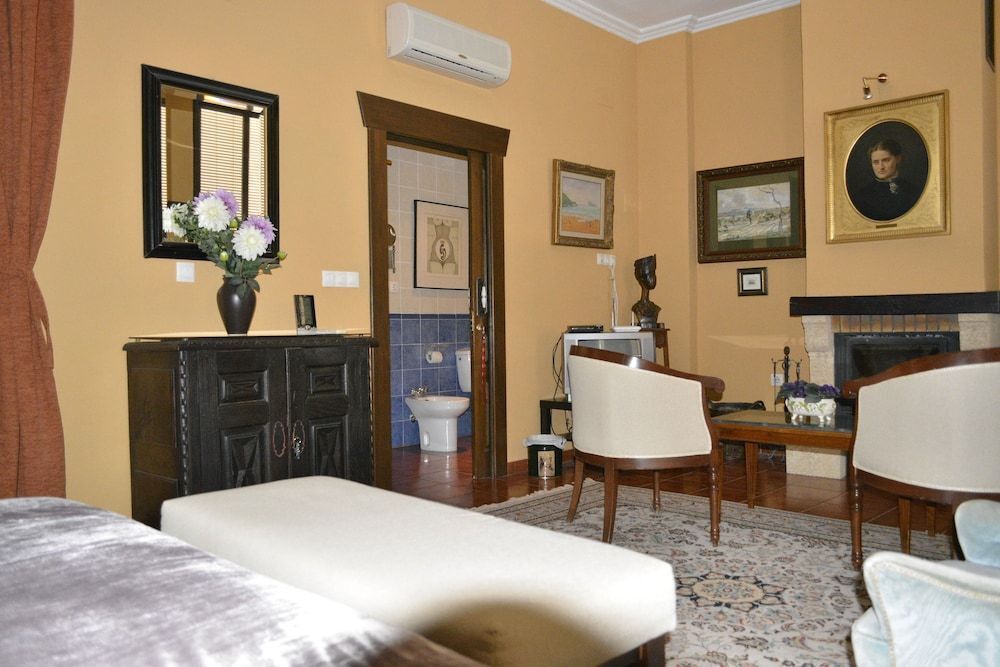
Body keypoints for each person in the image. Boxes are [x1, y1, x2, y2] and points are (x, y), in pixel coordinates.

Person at [851, 138, 922, 221]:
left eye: (886, 160)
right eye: (876, 162)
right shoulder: (862, 196)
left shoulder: (913, 190)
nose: (881, 167)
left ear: (898, 159)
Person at [630, 255, 661, 328]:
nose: (653, 279)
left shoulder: (655, 308)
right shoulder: (637, 308)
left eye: (654, 274)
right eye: (650, 275)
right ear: (642, 278)